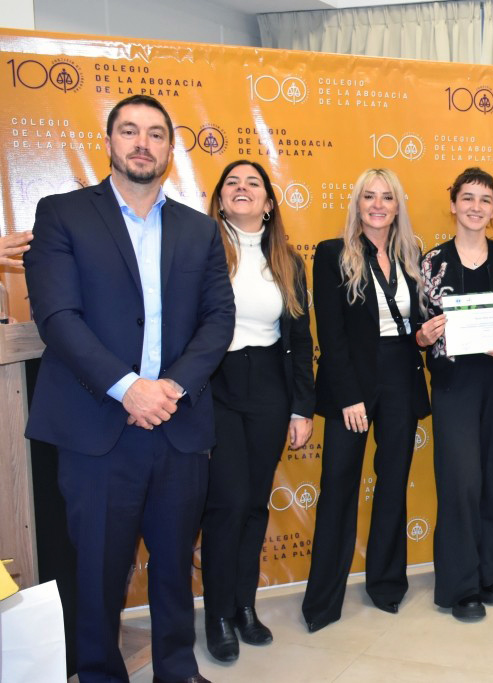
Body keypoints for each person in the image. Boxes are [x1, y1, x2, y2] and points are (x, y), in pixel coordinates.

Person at [24, 95, 234, 683]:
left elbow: (219, 319)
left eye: (156, 134)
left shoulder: (199, 230)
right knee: (96, 570)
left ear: (170, 148)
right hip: (97, 426)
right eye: (129, 131)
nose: (143, 142)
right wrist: (128, 389)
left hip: (178, 423)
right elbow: (58, 316)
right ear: (111, 142)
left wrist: (168, 388)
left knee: (173, 565)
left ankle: (177, 668)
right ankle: (97, 674)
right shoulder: (62, 214)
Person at [302, 168, 430, 631]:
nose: (378, 204)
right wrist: (348, 396)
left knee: (393, 482)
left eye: (387, 197)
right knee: (338, 486)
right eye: (369, 197)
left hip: (400, 373)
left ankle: (387, 585)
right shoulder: (332, 253)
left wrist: (426, 334)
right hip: (351, 381)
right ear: (357, 204)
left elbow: (412, 327)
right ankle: (322, 602)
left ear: (398, 206)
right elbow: (331, 336)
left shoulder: (412, 254)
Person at [199, 160, 314, 662]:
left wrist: (302, 407)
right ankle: (218, 614)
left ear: (269, 202)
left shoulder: (288, 260)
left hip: (269, 385)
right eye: (233, 183)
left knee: (253, 504)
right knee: (227, 502)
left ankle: (245, 607)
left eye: (254, 184)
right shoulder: (198, 252)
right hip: (215, 385)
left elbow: (301, 336)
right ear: (220, 199)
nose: (242, 189)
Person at [420, 167, 493, 620]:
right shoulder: (433, 261)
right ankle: (459, 586)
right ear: (453, 204)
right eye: (467, 198)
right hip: (456, 387)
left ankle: (490, 573)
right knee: (460, 482)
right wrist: (423, 338)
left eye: (485, 200)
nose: (475, 207)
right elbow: (422, 330)